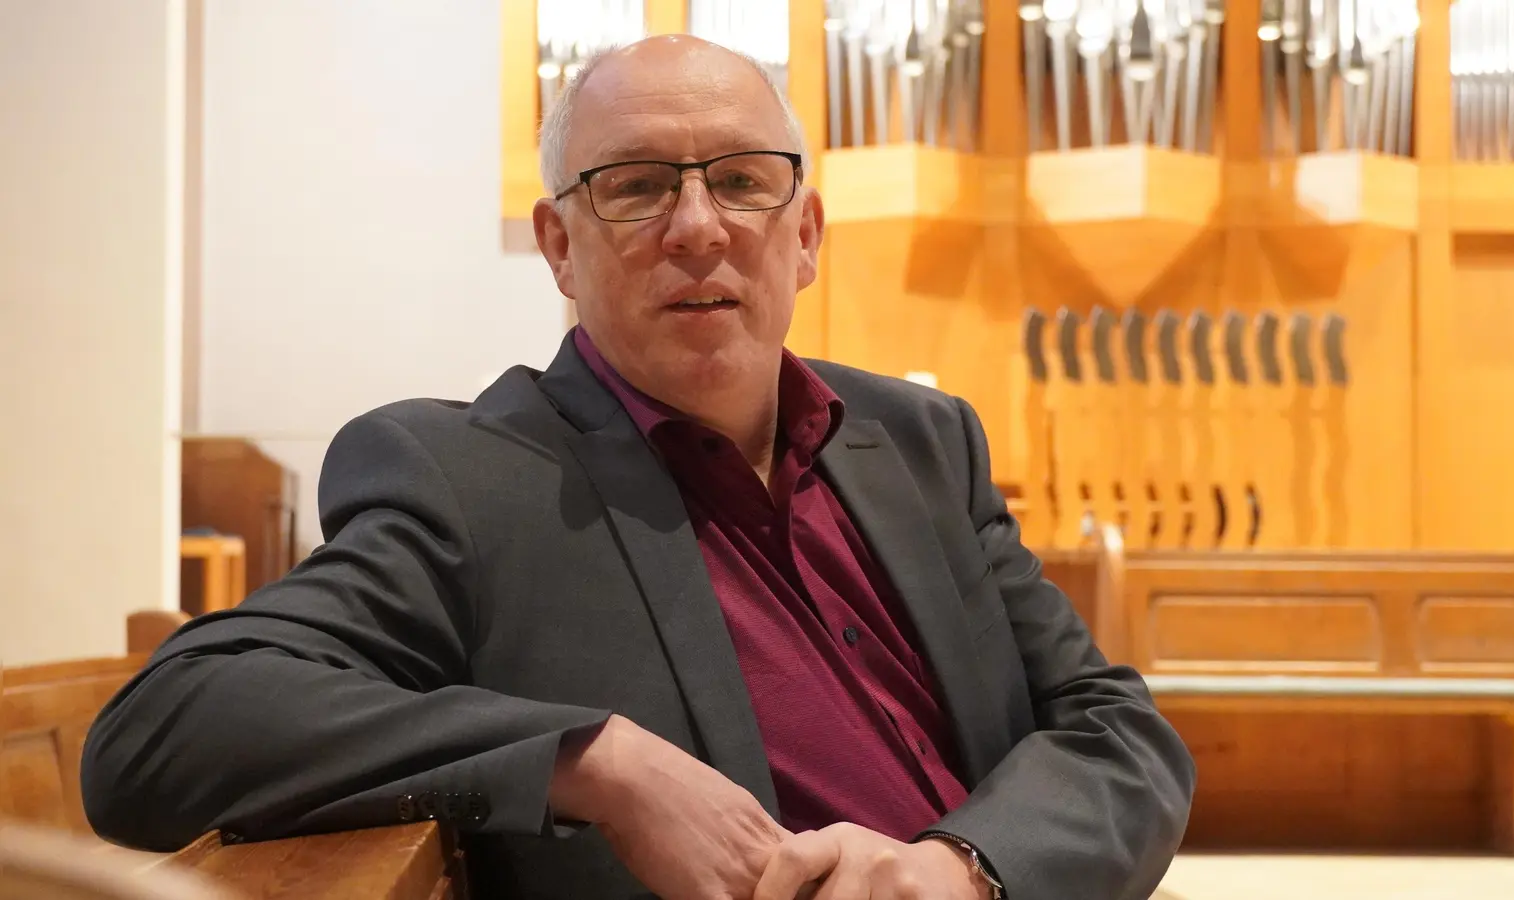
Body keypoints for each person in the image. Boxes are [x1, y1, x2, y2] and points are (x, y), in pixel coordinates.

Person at [81, 34, 1194, 900]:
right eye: (635, 184)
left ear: (806, 234)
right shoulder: (468, 477)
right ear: (559, 245)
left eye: (743, 181)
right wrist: (591, 760)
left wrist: (965, 866)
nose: (698, 227)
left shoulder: (921, 440)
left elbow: (1117, 732)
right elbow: (163, 730)